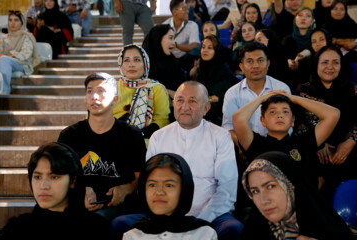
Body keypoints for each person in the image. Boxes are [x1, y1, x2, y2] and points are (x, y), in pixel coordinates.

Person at [111, 81, 243, 240]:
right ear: (174, 104)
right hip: (163, 213)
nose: (185, 107)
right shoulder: (159, 137)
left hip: (210, 214)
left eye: (193, 101)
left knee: (233, 229)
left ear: (206, 108)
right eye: (180, 100)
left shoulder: (220, 137)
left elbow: (227, 188)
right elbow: (147, 183)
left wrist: (202, 220)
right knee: (120, 224)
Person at [58, 72, 146, 222]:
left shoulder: (131, 135)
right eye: (90, 91)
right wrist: (79, 192)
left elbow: (141, 177)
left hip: (119, 208)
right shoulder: (69, 136)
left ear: (115, 99)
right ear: (85, 100)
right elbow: (60, 175)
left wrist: (126, 189)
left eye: (101, 91)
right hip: (78, 205)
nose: (94, 96)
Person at [0, 142, 111, 239]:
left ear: (73, 181)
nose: (44, 186)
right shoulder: (17, 229)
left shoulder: (95, 228)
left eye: (54, 177)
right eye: (37, 177)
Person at [232, 91, 340, 186]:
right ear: (263, 120)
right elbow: (238, 118)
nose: (280, 115)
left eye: (285, 111)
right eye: (273, 112)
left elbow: (333, 114)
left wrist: (293, 98)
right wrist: (262, 98)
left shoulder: (304, 142)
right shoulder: (256, 143)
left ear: (293, 120)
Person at [240, 151, 355, 240]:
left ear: (291, 185)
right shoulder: (254, 231)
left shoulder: (328, 230)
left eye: (270, 186)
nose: (263, 200)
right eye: (255, 191)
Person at [297, 45, 357, 203]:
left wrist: (350, 141)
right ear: (316, 64)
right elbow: (302, 123)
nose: (330, 67)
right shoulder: (304, 91)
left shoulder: (352, 90)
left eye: (335, 62)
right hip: (316, 150)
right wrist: (318, 144)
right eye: (324, 62)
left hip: (348, 148)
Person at [122, 153, 217, 239]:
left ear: (184, 189)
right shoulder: (133, 236)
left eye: (169, 185)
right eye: (152, 185)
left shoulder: (204, 234)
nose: (159, 192)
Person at [222, 42, 291, 145]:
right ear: (241, 66)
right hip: (246, 149)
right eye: (249, 61)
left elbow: (288, 125)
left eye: (260, 60)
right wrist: (244, 148)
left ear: (268, 63)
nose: (255, 66)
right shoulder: (232, 94)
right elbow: (229, 128)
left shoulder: (281, 88)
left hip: (278, 146)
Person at [114, 45, 170, 140]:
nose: (131, 64)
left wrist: (138, 134)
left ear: (145, 64)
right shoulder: (111, 88)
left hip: (145, 141)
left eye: (137, 60)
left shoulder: (156, 88)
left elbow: (162, 120)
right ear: (121, 64)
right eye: (126, 60)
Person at [189, 35, 237, 125]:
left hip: (219, 112)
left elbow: (219, 96)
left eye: (210, 48)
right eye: (203, 47)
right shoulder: (202, 67)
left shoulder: (223, 69)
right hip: (203, 109)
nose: (205, 50)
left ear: (217, 51)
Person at [0, 10, 40, 94]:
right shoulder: (5, 38)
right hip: (5, 61)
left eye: (16, 20)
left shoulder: (26, 37)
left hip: (21, 63)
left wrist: (8, 56)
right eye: (10, 20)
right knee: (2, 60)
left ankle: (4, 90)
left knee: (3, 59)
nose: (12, 23)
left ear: (22, 23)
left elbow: (25, 54)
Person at [142, 24, 186, 100]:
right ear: (158, 39)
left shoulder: (173, 62)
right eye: (170, 38)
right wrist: (167, 91)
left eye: (173, 39)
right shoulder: (143, 65)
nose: (173, 43)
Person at [281, 6, 315, 92]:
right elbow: (282, 57)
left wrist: (308, 53)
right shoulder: (287, 40)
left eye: (308, 16)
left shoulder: (316, 39)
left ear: (312, 21)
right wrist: (289, 62)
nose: (303, 18)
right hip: (290, 81)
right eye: (300, 15)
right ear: (295, 20)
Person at [163, 0, 200, 70]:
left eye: (187, 9)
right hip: (169, 58)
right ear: (175, 12)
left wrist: (175, 45)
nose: (188, 12)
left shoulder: (192, 25)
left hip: (185, 59)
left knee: (193, 56)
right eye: (184, 9)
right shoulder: (164, 26)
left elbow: (194, 47)